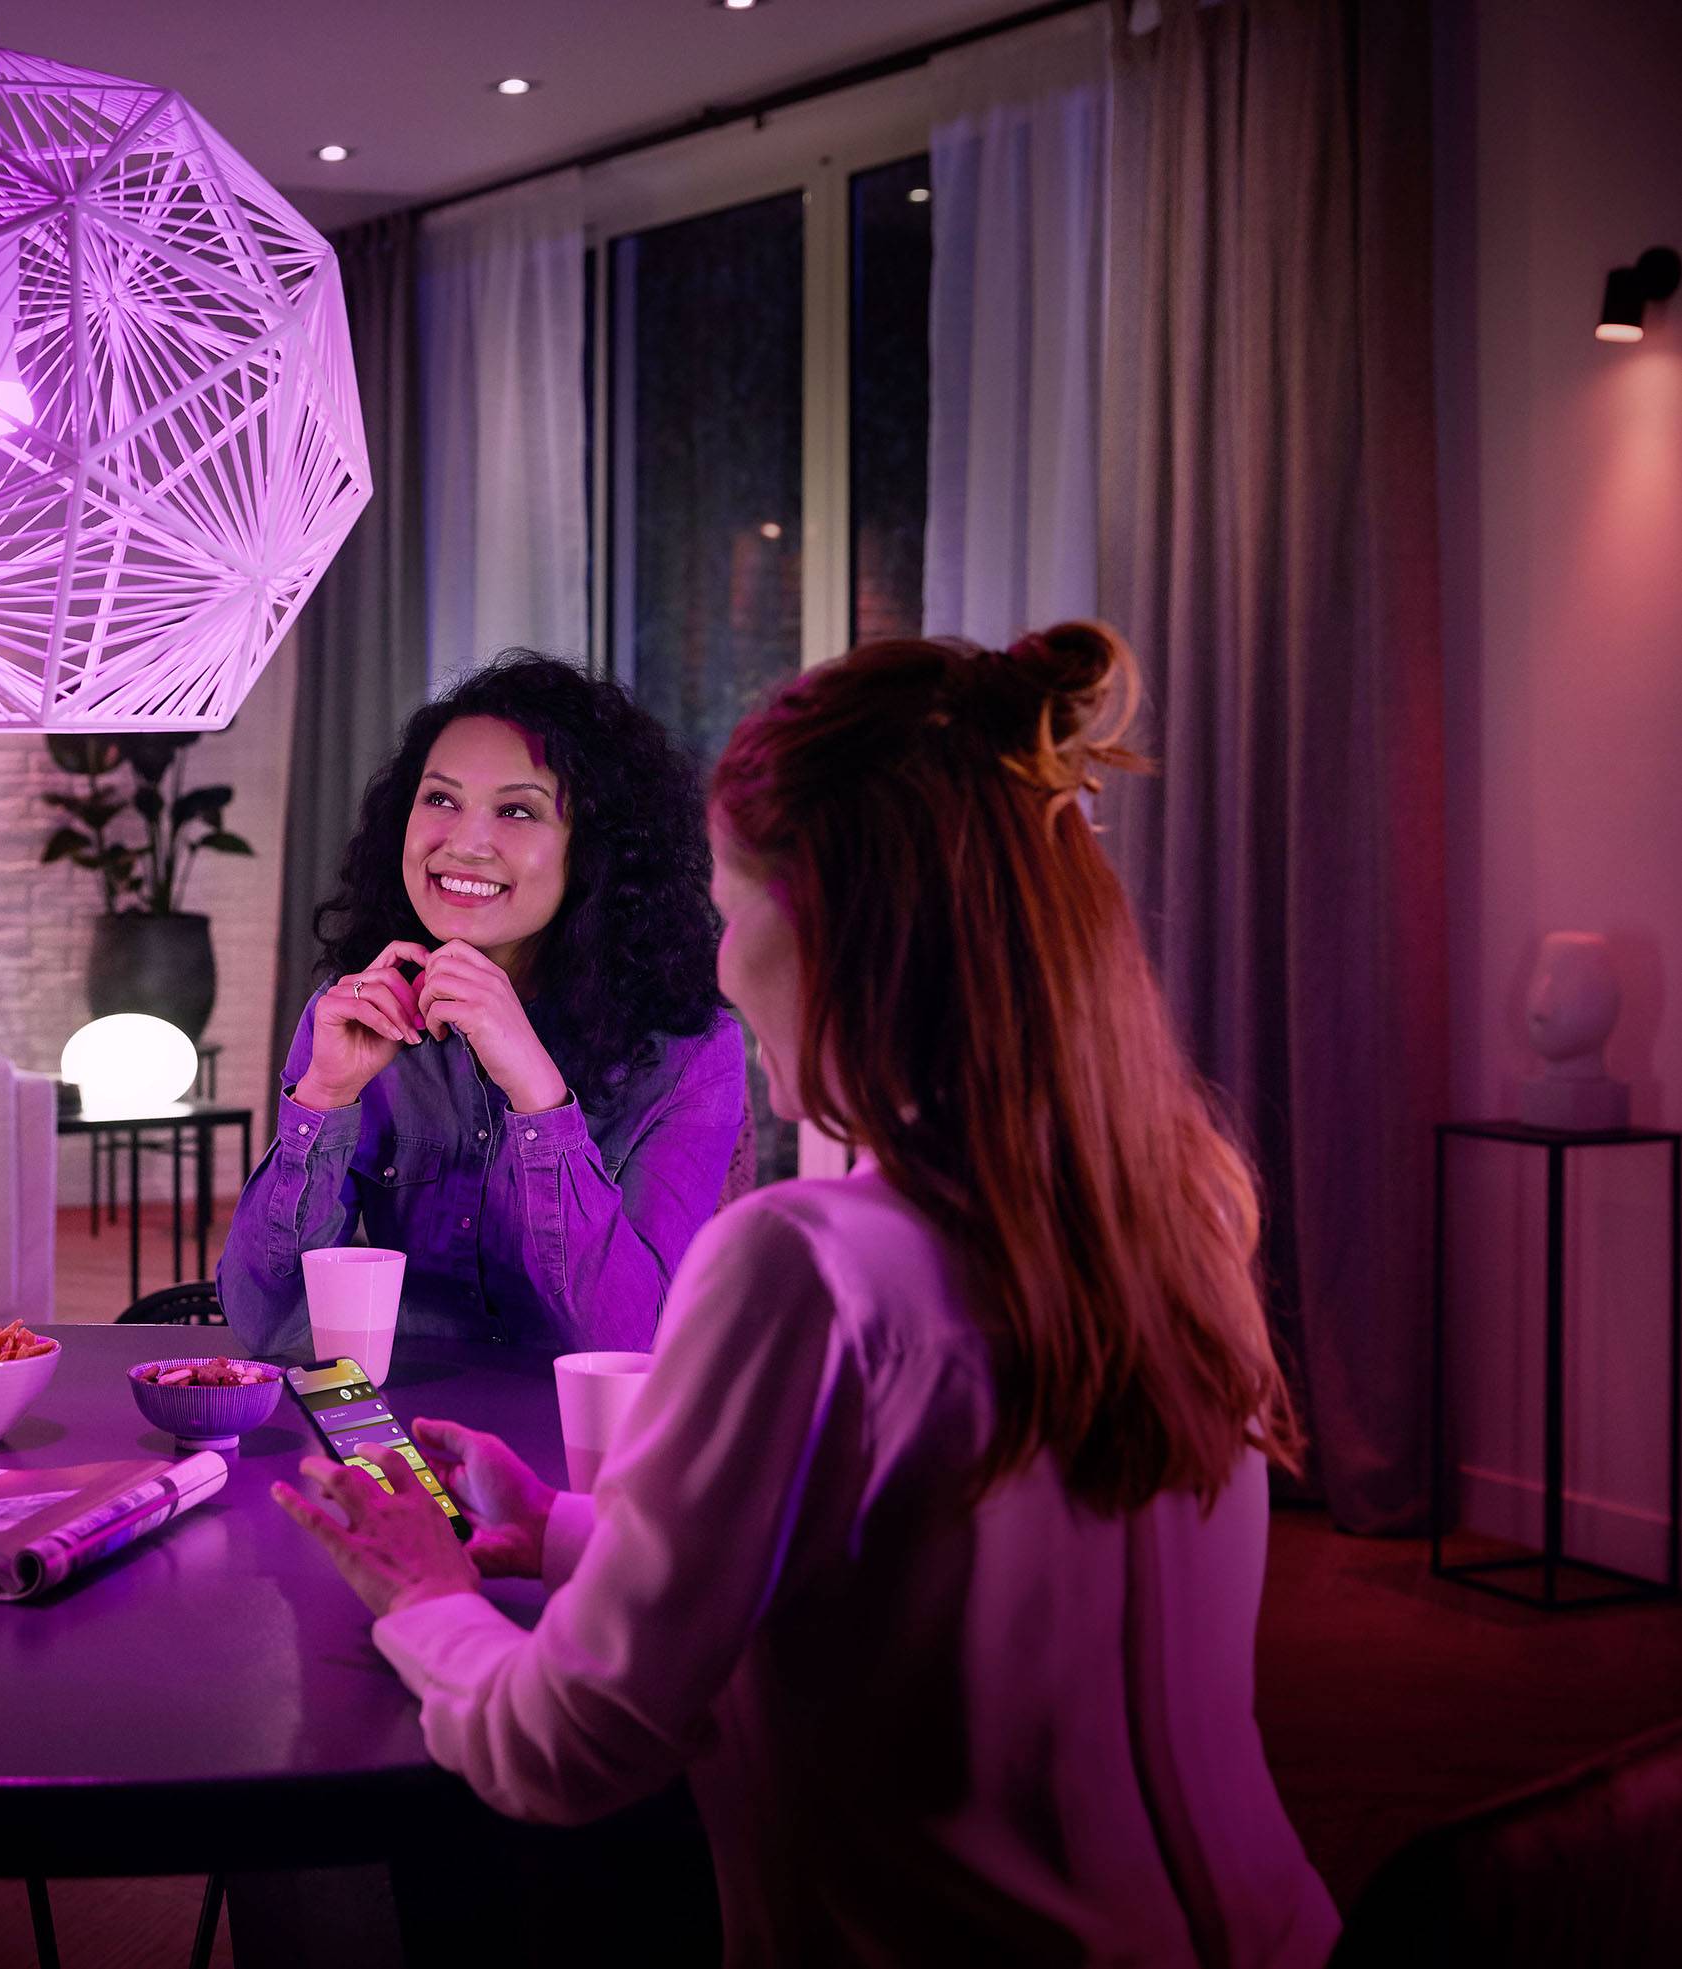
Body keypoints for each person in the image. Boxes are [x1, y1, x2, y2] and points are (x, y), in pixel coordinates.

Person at [275, 624, 1342, 1967]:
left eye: (735, 909)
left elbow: (566, 1748)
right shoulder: (1182, 1210)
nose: (718, 960)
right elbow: (918, 1561)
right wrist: (560, 1529)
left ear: (834, 928)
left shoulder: (804, 1260)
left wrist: (424, 1596)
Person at [217, 654, 748, 1358]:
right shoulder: (357, 1012)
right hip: (404, 1428)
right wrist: (324, 1095)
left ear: (594, 848)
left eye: (517, 810)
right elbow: (268, 1319)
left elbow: (625, 1344)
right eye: (439, 798)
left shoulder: (690, 1050)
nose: (461, 844)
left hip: (588, 1446)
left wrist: (537, 1097)